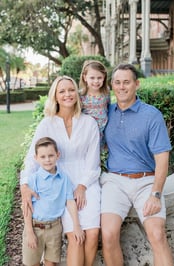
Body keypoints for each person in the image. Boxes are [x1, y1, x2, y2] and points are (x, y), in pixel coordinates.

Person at [20, 76, 101, 266]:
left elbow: (93, 161)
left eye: (71, 90)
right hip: (59, 184)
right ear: (55, 96)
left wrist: (82, 186)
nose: (67, 95)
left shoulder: (89, 123)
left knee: (92, 234)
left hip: (86, 180)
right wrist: (24, 185)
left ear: (77, 93)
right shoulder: (47, 124)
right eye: (62, 91)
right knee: (75, 236)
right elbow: (32, 157)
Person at [100, 63, 174, 266]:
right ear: (111, 85)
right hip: (114, 181)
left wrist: (156, 194)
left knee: (157, 234)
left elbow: (162, 159)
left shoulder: (151, 115)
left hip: (145, 182)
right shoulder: (106, 113)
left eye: (126, 82)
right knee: (107, 234)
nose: (121, 87)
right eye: (117, 82)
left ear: (136, 84)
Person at [22, 137, 85, 266]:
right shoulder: (33, 179)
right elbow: (27, 207)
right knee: (32, 263)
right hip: (35, 227)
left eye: (51, 155)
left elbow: (70, 202)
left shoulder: (64, 179)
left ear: (58, 155)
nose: (47, 160)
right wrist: (29, 232)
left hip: (54, 228)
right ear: (36, 158)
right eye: (43, 156)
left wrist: (76, 226)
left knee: (51, 263)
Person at [79, 60, 110, 151]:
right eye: (92, 78)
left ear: (104, 77)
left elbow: (108, 109)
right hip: (87, 134)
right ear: (85, 77)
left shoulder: (106, 92)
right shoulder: (81, 95)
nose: (96, 81)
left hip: (103, 133)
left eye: (99, 77)